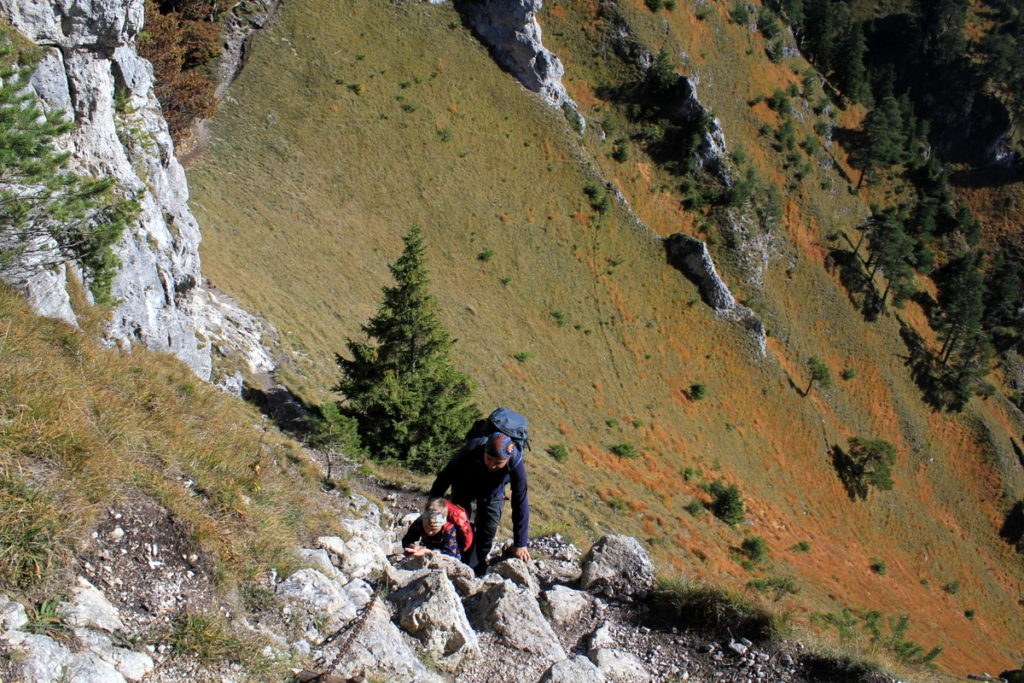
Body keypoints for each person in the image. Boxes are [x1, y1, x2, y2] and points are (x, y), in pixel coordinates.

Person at [429, 431, 530, 575]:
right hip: (465, 483)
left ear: (507, 460)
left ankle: (476, 565)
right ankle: (454, 559)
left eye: (498, 462)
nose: (492, 465)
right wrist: (432, 507)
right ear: (484, 451)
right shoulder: (472, 448)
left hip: (493, 491)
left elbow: (520, 500)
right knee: (459, 523)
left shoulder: (515, 461)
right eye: (489, 459)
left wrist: (520, 543)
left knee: (487, 531)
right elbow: (445, 476)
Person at [401, 497, 473, 559]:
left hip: (455, 552)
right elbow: (407, 539)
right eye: (427, 527)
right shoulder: (419, 522)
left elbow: (452, 554)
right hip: (429, 546)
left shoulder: (449, 530)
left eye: (434, 529)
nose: (430, 532)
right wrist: (412, 546)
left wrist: (429, 552)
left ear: (442, 524)